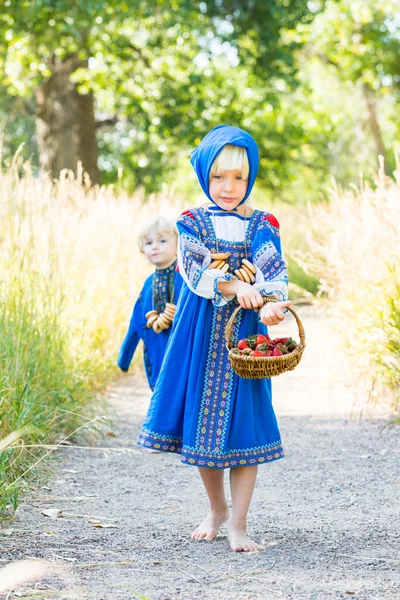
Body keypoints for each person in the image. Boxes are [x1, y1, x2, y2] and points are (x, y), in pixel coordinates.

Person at [138, 125, 291, 552]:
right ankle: (216, 508)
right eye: (220, 176)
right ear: (206, 174)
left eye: (239, 177)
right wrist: (233, 286)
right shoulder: (192, 222)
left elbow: (272, 269)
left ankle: (238, 524)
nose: (229, 187)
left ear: (251, 177)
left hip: (244, 333)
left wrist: (272, 304)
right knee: (202, 422)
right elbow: (192, 268)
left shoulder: (263, 223)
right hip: (202, 329)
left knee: (246, 424)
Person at [117, 216, 183, 391]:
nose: (154, 247)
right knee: (160, 394)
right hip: (156, 351)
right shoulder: (148, 284)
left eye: (162, 241)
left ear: (178, 245)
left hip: (183, 353)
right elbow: (136, 321)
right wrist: (124, 357)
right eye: (148, 243)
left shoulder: (187, 279)